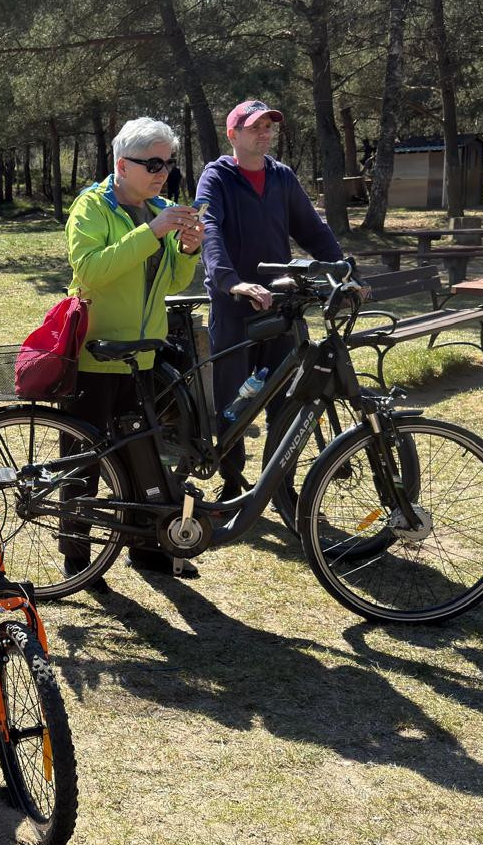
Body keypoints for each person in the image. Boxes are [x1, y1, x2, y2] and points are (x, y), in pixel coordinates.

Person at [63, 117, 202, 581]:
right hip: (94, 355)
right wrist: (154, 233)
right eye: (153, 163)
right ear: (122, 164)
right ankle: (79, 561)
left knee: (142, 456)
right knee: (82, 460)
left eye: (169, 163)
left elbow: (174, 284)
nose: (163, 172)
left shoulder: (158, 208)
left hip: (142, 355)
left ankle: (146, 548)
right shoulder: (91, 206)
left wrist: (186, 249)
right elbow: (90, 271)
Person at [196, 99, 352, 493]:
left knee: (288, 398)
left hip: (282, 304)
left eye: (269, 127)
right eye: (254, 127)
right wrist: (231, 282)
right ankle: (232, 479)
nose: (264, 133)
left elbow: (313, 231)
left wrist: (345, 272)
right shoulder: (216, 178)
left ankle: (278, 483)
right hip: (235, 306)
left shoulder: (282, 177)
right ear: (233, 134)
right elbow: (208, 230)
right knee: (234, 400)